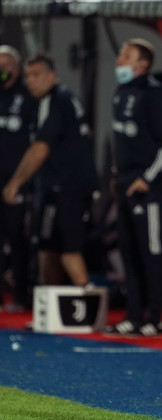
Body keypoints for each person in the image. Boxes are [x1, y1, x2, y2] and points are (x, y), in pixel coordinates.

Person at [2, 53, 97, 289]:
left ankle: (84, 303)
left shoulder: (55, 101)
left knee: (68, 249)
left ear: (52, 76)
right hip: (59, 187)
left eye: (36, 75)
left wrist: (15, 183)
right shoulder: (62, 99)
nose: (30, 81)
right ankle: (52, 310)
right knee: (47, 247)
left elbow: (40, 148)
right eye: (27, 76)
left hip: (67, 188)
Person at [105, 38, 162, 337]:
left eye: (126, 55)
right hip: (123, 185)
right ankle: (133, 316)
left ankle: (155, 317)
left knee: (151, 253)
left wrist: (146, 179)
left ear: (142, 64)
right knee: (129, 253)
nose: (119, 59)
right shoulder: (121, 92)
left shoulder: (153, 93)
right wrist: (115, 173)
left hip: (148, 191)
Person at [0, 45, 36, 311]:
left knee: (17, 237)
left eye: (7, 64)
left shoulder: (27, 97)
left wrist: (20, 181)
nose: (2, 69)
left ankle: (21, 296)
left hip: (17, 182)